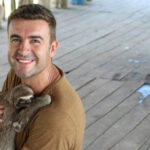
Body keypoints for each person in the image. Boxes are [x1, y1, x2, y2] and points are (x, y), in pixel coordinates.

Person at [0, 4, 85, 150]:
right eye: (16, 39)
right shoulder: (17, 73)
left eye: (35, 41)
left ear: (52, 49)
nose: (23, 50)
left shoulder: (55, 120)